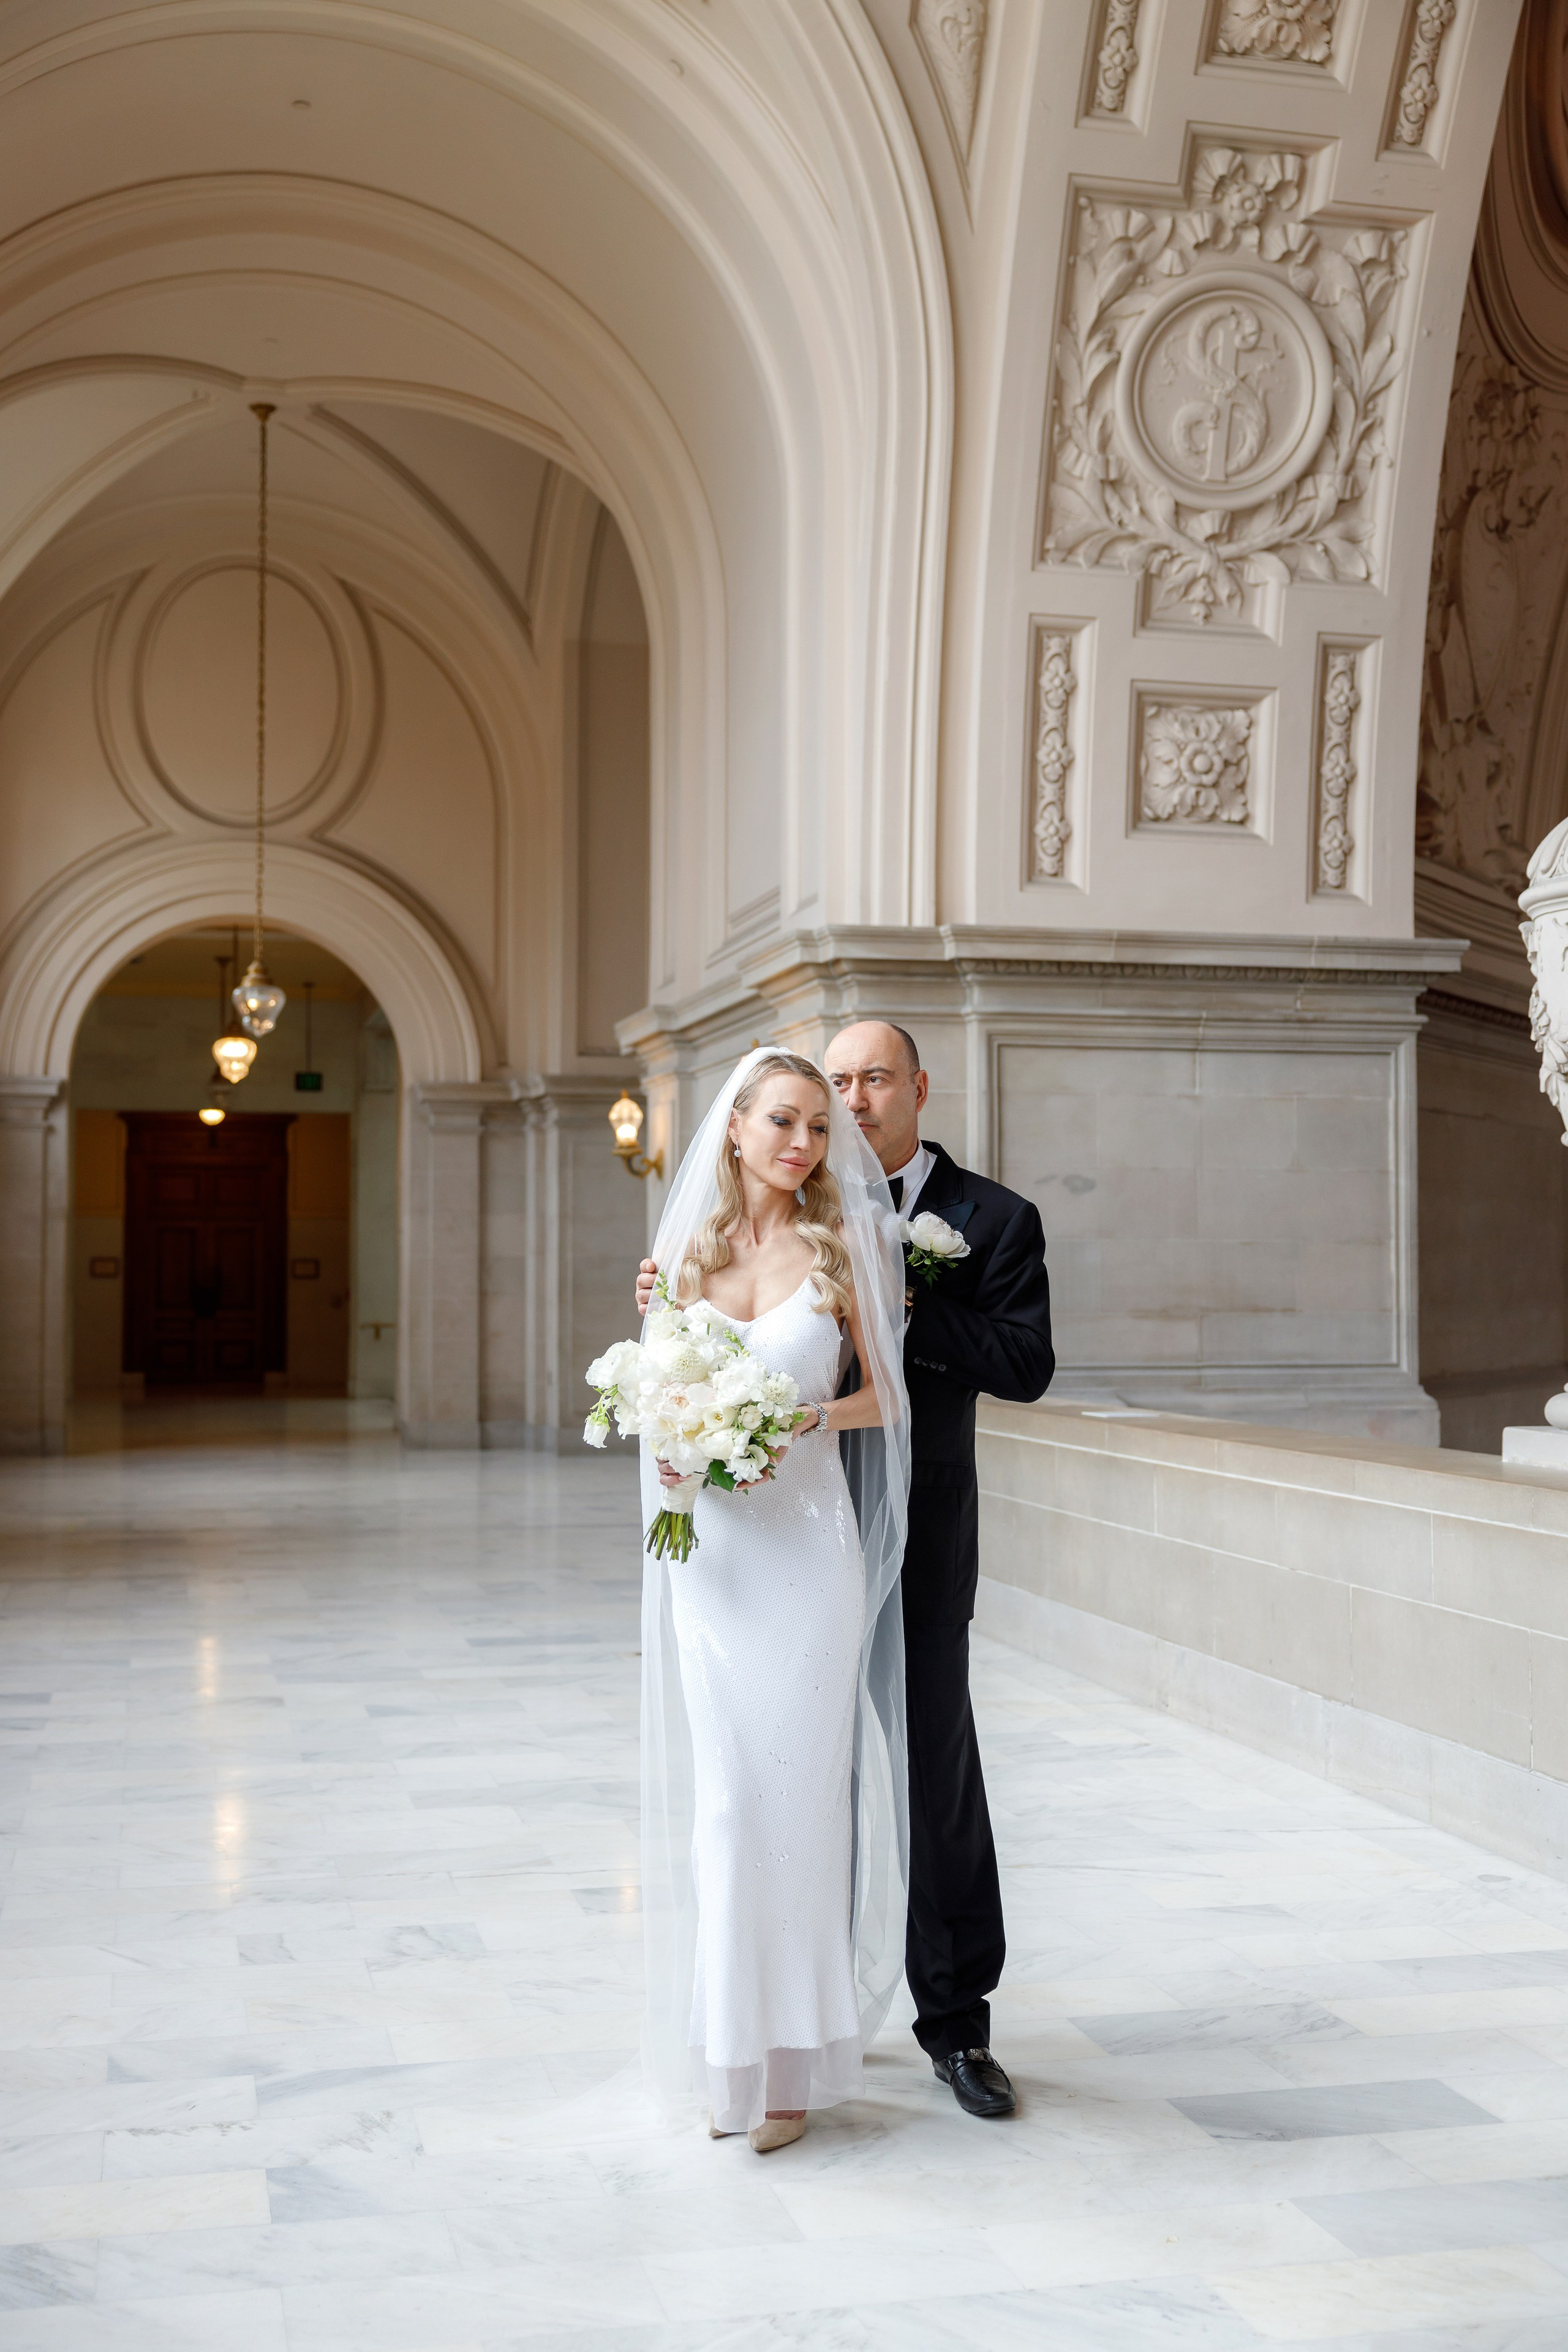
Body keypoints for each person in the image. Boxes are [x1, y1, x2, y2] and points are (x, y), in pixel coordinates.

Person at [638, 1022, 1054, 2121]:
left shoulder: (987, 1219)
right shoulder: (722, 1240)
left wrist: (904, 1298)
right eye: (830, 1088)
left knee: (928, 1763)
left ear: (916, 1087)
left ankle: (954, 2024)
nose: (847, 1107)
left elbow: (1023, 1366)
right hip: (746, 1537)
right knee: (769, 1791)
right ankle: (787, 2027)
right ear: (747, 1124)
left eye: (870, 1083)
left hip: (906, 1527)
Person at [636, 1047, 911, 2152]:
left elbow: (886, 1398)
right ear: (737, 1126)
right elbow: (658, 1396)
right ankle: (731, 2057)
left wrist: (807, 1421)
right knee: (728, 1806)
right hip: (713, 1559)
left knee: (799, 1803)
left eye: (818, 1127)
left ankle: (792, 2072)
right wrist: (673, 1454)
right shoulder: (682, 1262)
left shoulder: (848, 1246)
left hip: (806, 1554)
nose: (804, 1143)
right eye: (784, 1122)